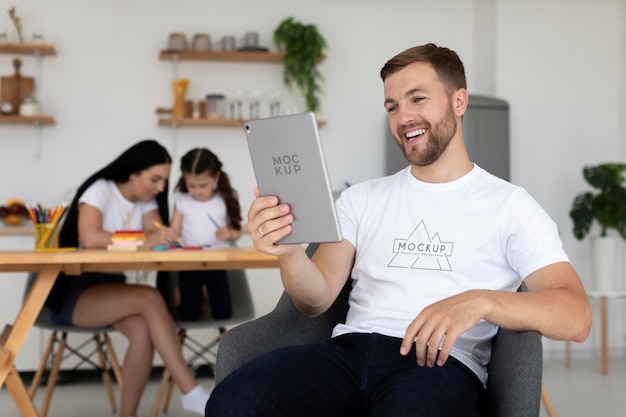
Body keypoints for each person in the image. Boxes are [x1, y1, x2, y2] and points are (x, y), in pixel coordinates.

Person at [205, 44, 593, 417]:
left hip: (439, 364)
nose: (403, 116)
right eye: (392, 106)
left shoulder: (511, 206)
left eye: (417, 99)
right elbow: (315, 299)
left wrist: (481, 302)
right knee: (234, 402)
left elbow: (577, 316)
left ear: (459, 102)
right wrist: (289, 252)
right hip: (347, 354)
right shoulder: (361, 198)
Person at [44, 140, 211, 417]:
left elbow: (155, 234)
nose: (159, 188)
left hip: (115, 292)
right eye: (154, 179)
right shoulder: (101, 190)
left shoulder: (145, 202)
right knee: (149, 296)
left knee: (143, 333)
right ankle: (191, 392)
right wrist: (144, 240)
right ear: (133, 172)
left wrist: (162, 236)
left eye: (163, 181)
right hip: (74, 292)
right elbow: (90, 237)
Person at [169, 147, 242, 321]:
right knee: (189, 315)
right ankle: (186, 294)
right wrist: (169, 235)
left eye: (203, 185)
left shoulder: (224, 199)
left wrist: (228, 233)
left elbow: (237, 233)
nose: (197, 191)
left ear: (215, 178)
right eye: (191, 185)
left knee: (223, 313)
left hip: (217, 261)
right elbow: (174, 231)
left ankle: (202, 293)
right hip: (189, 261)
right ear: (184, 179)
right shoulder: (182, 200)